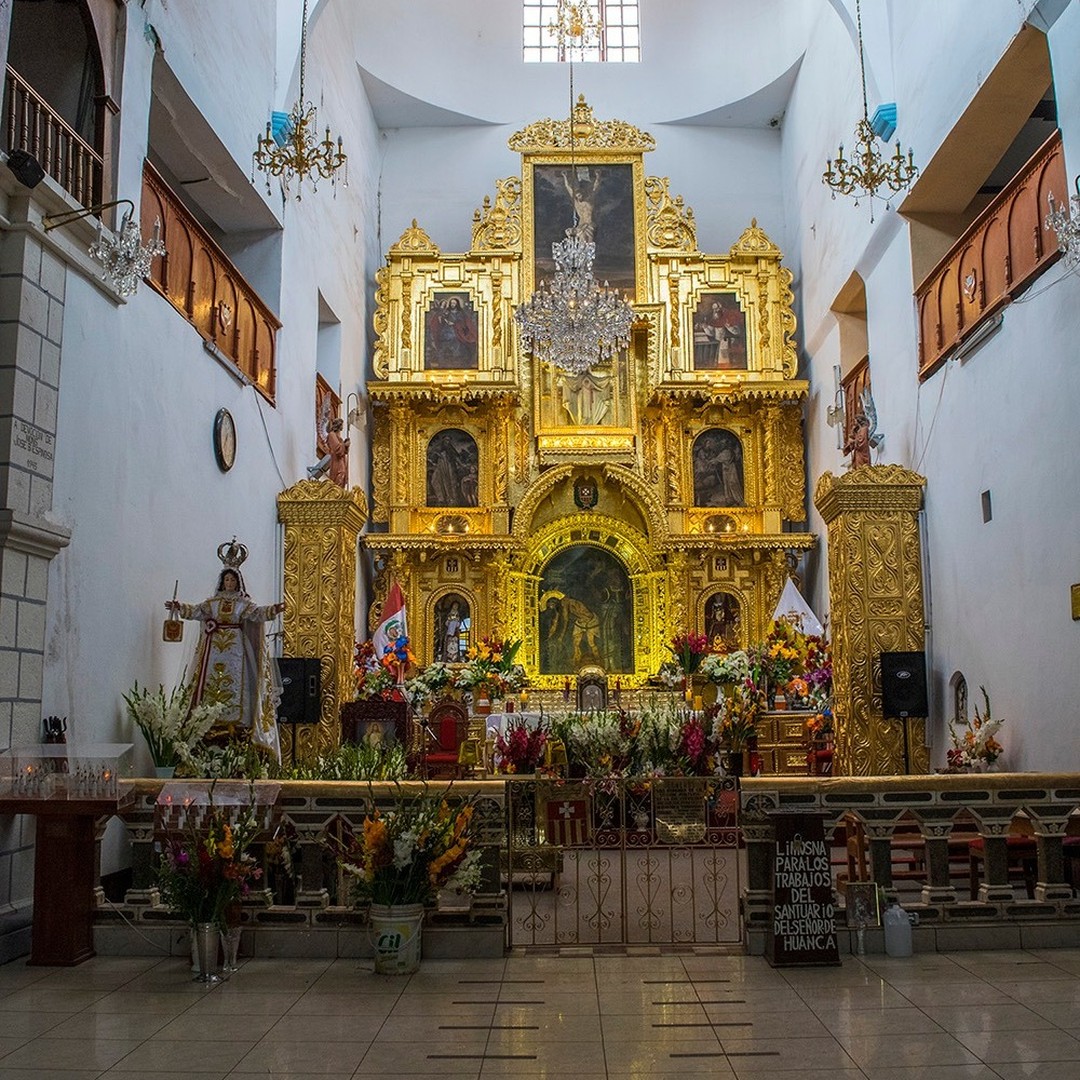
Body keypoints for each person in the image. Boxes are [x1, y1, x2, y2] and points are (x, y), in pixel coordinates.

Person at [165, 543, 285, 758]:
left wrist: (273, 610)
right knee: (210, 681)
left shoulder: (243, 604)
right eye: (227, 580)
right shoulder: (212, 603)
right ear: (222, 581)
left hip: (236, 648)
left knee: (237, 680)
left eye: (232, 580)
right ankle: (208, 719)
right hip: (213, 649)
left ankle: (239, 722)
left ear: (238, 582)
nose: (229, 583)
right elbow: (196, 611)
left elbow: (257, 614)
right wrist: (179, 607)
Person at [543, 592, 602, 669]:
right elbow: (556, 621)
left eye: (551, 605)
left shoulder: (565, 602)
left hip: (590, 620)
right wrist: (550, 635)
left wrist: (561, 636)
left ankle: (598, 661)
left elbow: (565, 620)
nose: (552, 608)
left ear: (554, 601)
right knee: (576, 643)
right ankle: (576, 662)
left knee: (591, 643)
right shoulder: (560, 606)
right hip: (580, 622)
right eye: (550, 607)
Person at [326, 417, 349, 488]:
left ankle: (340, 491)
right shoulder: (332, 435)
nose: (343, 426)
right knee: (339, 475)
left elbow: (344, 451)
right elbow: (337, 449)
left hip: (341, 460)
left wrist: (346, 445)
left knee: (343, 475)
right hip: (337, 461)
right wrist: (344, 445)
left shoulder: (338, 436)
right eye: (342, 425)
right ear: (338, 425)